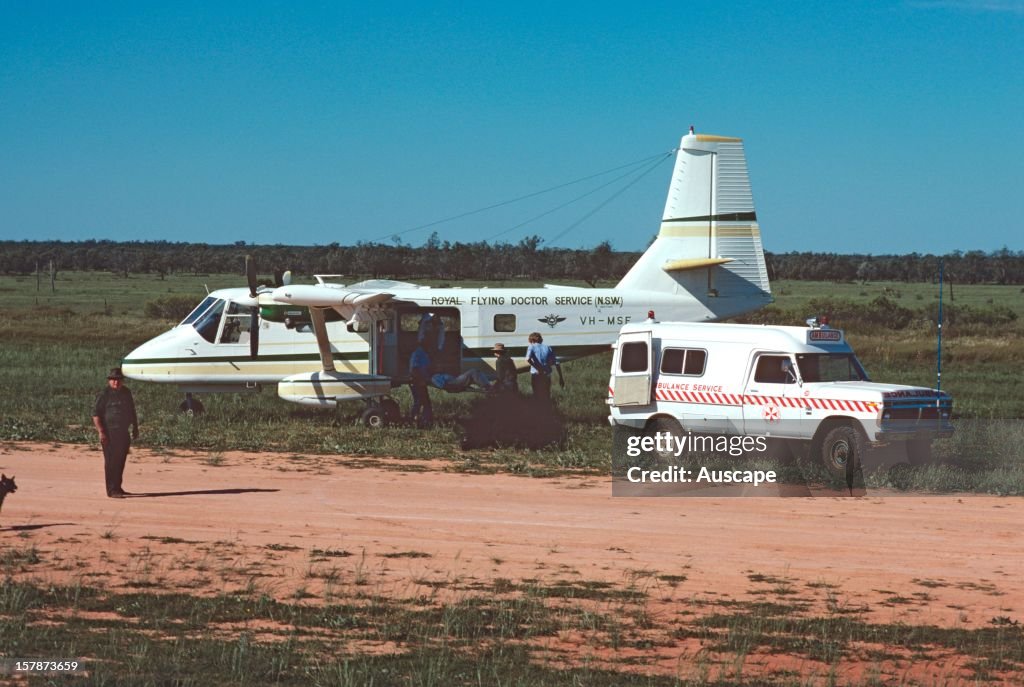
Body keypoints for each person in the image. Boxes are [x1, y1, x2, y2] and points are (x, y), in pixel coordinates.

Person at [92, 367, 139, 498]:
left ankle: (118, 487)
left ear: (122, 381)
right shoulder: (104, 394)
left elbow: (132, 410)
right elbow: (96, 415)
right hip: (109, 433)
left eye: (118, 380)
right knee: (111, 462)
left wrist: (135, 427)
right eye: (113, 380)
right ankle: (111, 490)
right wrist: (101, 432)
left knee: (120, 461)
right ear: (109, 381)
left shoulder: (126, 393)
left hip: (123, 433)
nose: (116, 382)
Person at [526, 332, 557, 402]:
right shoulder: (548, 347)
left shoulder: (532, 346)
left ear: (532, 340)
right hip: (546, 375)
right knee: (546, 394)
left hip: (537, 374)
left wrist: (538, 368)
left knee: (537, 394)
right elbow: (555, 362)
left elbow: (527, 358)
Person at [408, 344, 433, 428]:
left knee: (423, 401)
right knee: (420, 401)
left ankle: (423, 420)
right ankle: (416, 420)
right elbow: (414, 370)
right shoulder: (417, 354)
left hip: (421, 381)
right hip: (417, 381)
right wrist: (420, 380)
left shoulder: (424, 354)